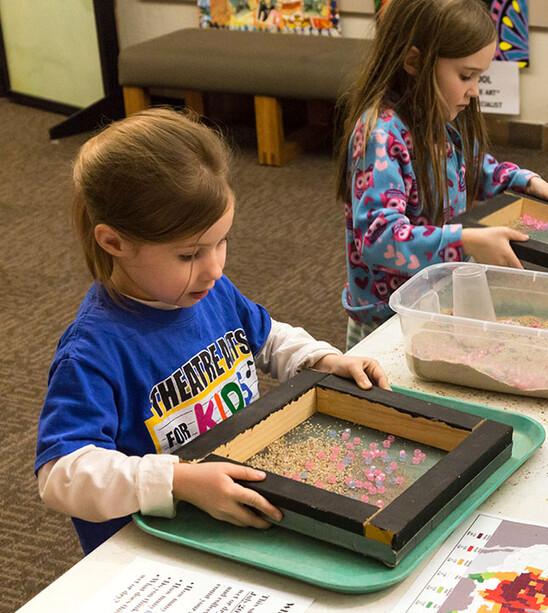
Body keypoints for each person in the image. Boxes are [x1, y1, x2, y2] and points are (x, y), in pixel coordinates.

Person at [35, 108, 391, 554]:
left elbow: (265, 337)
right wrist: (178, 480)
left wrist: (321, 358)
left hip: (235, 512)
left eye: (222, 242)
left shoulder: (209, 291)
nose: (215, 268)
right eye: (189, 255)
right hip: (157, 547)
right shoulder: (93, 351)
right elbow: (59, 474)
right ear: (114, 243)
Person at [335, 0, 548, 349]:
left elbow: (471, 168)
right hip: (387, 324)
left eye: (479, 77)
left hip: (434, 303)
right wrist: (464, 241)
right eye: (465, 76)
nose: (474, 92)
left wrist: (520, 180)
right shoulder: (381, 136)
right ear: (414, 61)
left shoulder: (436, 118)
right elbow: (379, 238)